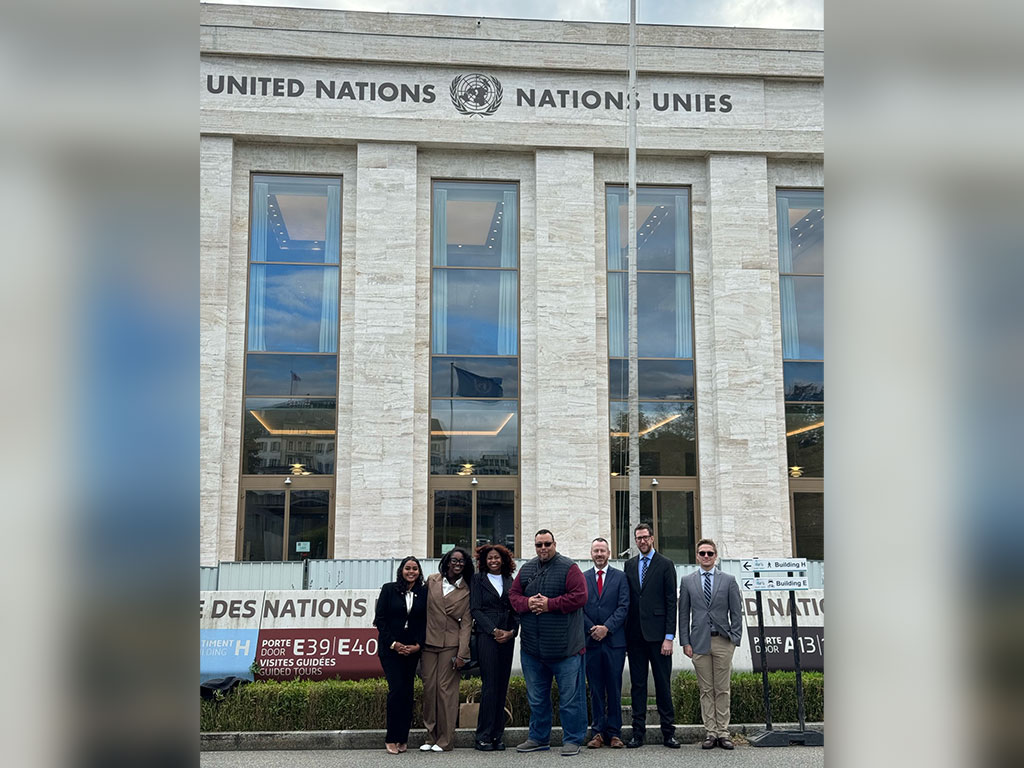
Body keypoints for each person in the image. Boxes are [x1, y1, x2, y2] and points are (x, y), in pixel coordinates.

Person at [508, 529, 588, 757]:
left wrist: (549, 604)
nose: (543, 548)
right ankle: (538, 738)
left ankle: (573, 739)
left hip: (566, 650)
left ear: (555, 544)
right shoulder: (527, 569)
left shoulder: (569, 568)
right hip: (533, 650)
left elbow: (581, 596)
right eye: (539, 545)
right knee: (536, 698)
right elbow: (513, 597)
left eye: (547, 544)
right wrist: (528, 602)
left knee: (570, 699)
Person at [678, 538, 743, 750]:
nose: (706, 556)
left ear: (716, 556)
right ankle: (711, 733)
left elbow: (736, 612)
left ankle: (724, 733)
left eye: (710, 553)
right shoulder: (687, 581)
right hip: (698, 643)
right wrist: (685, 642)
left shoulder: (729, 580)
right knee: (706, 689)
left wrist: (735, 639)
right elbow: (683, 614)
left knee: (722, 688)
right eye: (702, 553)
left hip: (723, 641)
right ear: (697, 556)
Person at [623, 522, 680, 748]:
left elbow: (670, 602)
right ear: (635, 541)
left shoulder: (665, 564)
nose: (642, 541)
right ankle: (638, 733)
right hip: (635, 637)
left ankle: (669, 733)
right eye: (638, 538)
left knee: (663, 685)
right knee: (638, 686)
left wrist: (669, 637)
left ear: (652, 538)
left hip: (659, 638)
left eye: (645, 537)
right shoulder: (629, 565)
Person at [420, 547, 474, 752]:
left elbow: (466, 624)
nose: (458, 564)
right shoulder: (432, 580)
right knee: (429, 689)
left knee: (446, 692)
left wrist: (462, 653)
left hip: (451, 644)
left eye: (462, 561)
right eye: (454, 560)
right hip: (428, 642)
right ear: (447, 561)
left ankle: (445, 740)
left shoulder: (467, 590)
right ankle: (429, 736)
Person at [373, 556, 428, 755]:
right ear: (401, 570)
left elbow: (425, 622)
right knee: (396, 691)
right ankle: (391, 737)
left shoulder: (423, 592)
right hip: (391, 649)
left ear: (419, 572)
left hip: (412, 650)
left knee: (407, 693)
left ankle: (403, 738)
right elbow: (380, 620)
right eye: (408, 568)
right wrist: (394, 644)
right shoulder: (389, 589)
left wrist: (418, 645)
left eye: (415, 568)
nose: (411, 571)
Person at [469, 543, 519, 751]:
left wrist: (512, 632)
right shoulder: (478, 579)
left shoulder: (510, 580)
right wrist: (493, 630)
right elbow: (475, 609)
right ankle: (483, 736)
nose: (493, 561)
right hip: (487, 636)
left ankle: (498, 735)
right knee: (490, 686)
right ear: (484, 560)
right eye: (489, 558)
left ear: (504, 560)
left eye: (497, 558)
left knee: (502, 685)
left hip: (507, 637)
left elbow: (517, 608)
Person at [582, 537, 630, 749]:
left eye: (602, 551)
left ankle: (615, 733)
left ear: (609, 553)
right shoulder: (583, 578)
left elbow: (623, 607)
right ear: (591, 554)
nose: (599, 554)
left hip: (614, 643)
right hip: (591, 642)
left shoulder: (620, 577)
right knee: (595, 688)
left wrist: (606, 628)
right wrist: (593, 628)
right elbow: (579, 608)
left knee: (614, 687)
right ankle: (598, 732)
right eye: (596, 551)